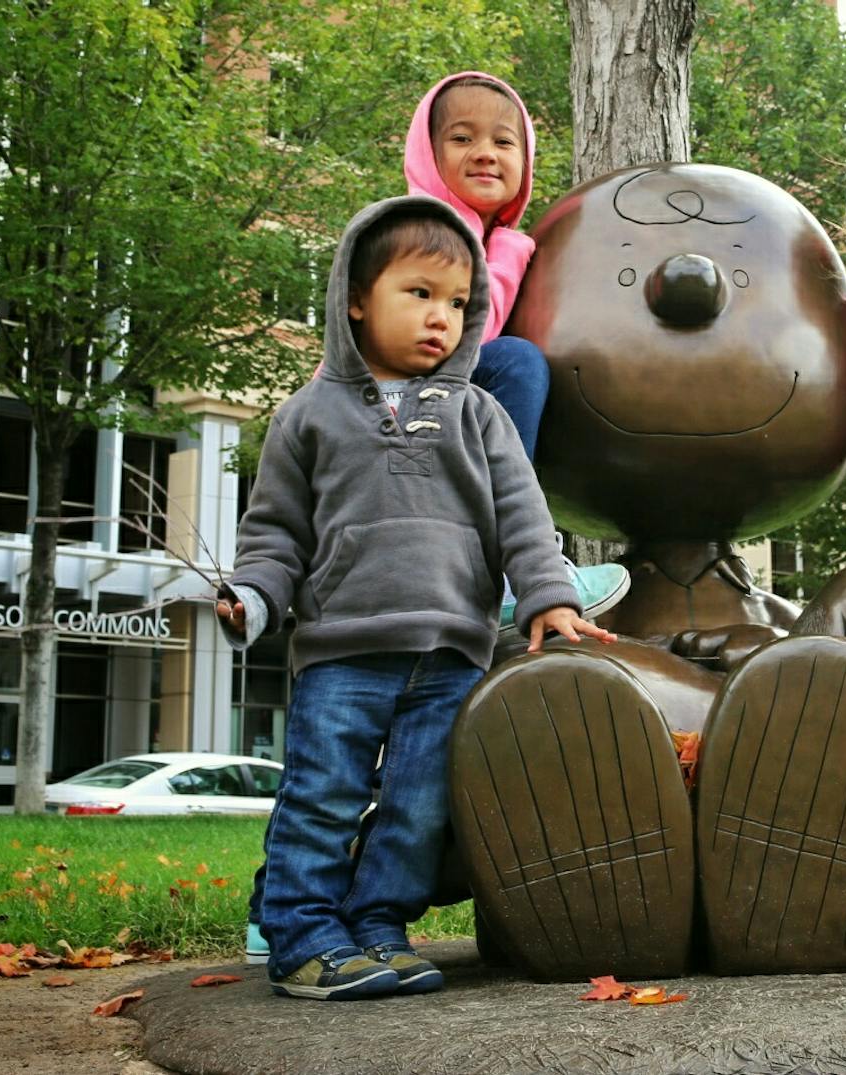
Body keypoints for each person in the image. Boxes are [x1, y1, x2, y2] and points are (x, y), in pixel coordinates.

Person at [219, 195, 615, 999]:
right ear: (356, 298)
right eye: (419, 294)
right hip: (343, 653)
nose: (442, 318)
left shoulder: (481, 415)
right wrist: (253, 599)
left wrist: (546, 595)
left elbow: (524, 519)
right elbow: (274, 537)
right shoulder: (307, 418)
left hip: (450, 655)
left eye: (459, 303)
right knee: (323, 797)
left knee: (419, 807)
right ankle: (300, 935)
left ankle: (377, 926)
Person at [403, 71, 629, 632]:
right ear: (428, 155)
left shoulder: (472, 234)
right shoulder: (426, 229)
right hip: (393, 406)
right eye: (461, 139)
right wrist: (508, 252)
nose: (485, 154)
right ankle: (515, 569)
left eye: (504, 142)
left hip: (426, 409)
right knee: (517, 363)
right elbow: (464, 341)